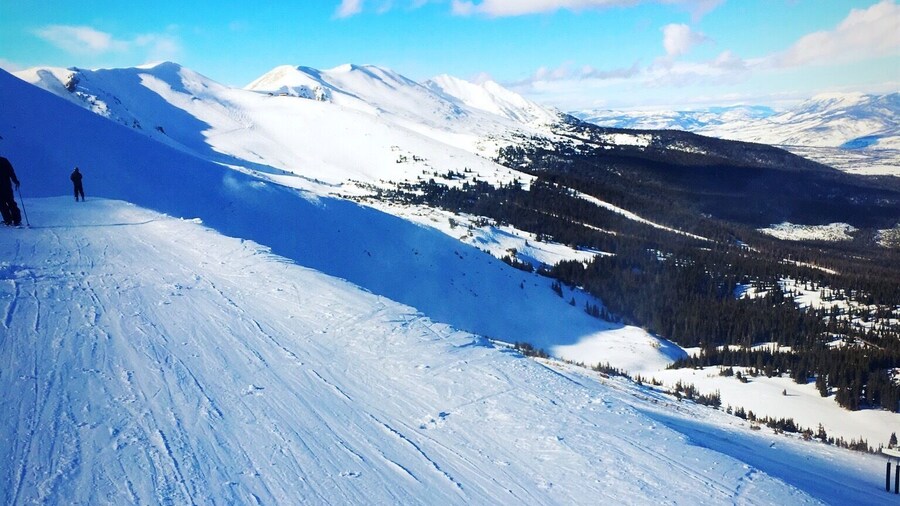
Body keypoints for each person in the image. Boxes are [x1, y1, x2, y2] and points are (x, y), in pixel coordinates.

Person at [0, 155, 21, 226]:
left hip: (5, 186)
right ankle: (16, 220)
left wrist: (15, 181)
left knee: (3, 204)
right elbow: (11, 172)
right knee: (9, 202)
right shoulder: (4, 161)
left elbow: (11, 172)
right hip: (6, 186)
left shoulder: (4, 161)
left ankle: (9, 220)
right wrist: (15, 181)